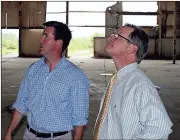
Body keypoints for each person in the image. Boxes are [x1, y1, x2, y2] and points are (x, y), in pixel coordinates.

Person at [4, 21, 90, 140]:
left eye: (46, 36)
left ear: (58, 43)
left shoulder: (76, 76)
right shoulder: (33, 70)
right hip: (30, 135)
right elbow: (21, 104)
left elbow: (79, 120)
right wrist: (8, 134)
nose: (40, 40)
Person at [93, 23, 173, 140]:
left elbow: (160, 128)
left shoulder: (139, 84)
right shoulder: (118, 80)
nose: (111, 37)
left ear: (131, 48)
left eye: (118, 36)